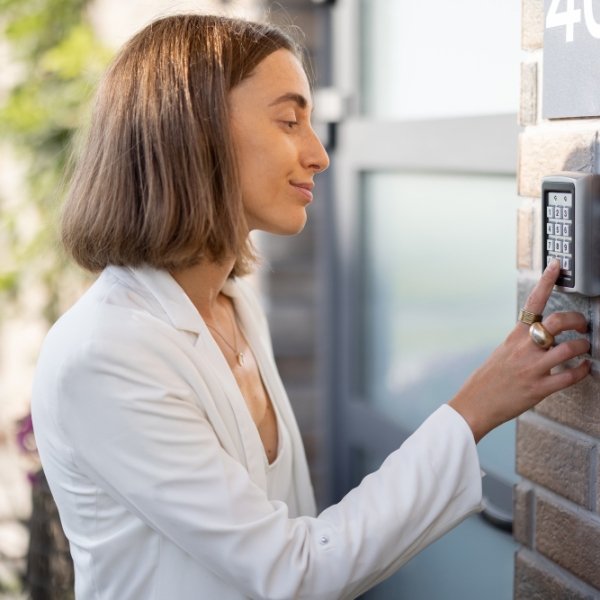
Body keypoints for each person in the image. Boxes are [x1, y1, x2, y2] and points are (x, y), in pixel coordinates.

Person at [31, 14, 591, 600]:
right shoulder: (105, 355)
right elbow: (295, 570)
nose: (319, 154)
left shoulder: (231, 306)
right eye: (289, 121)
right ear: (194, 134)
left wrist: (483, 367)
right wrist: (474, 407)